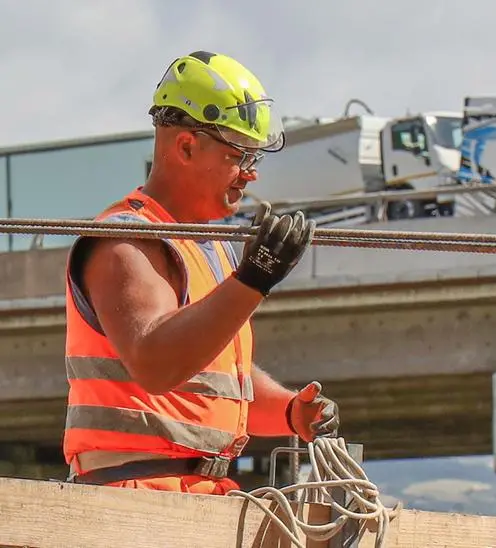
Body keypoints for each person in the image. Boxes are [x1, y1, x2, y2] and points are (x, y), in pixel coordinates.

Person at [61, 50, 339, 495]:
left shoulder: (211, 249)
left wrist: (289, 412)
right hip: (130, 500)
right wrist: (254, 280)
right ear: (187, 146)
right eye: (240, 155)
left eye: (255, 159)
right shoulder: (124, 242)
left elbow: (217, 388)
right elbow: (156, 364)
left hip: (196, 497)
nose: (250, 176)